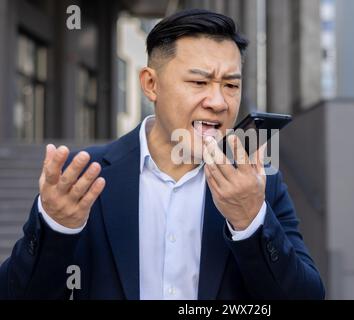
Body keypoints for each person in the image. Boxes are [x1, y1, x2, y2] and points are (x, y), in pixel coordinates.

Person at [0, 9, 325, 300]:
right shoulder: (83, 177)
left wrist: (250, 220)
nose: (219, 101)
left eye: (231, 85)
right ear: (150, 84)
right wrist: (57, 229)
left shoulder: (259, 184)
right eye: (199, 81)